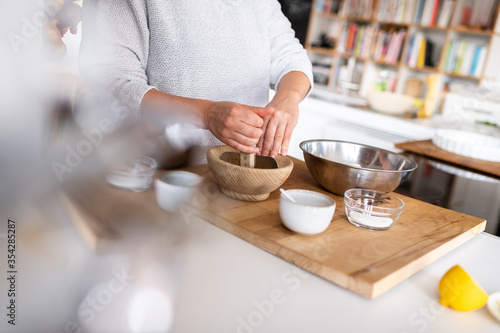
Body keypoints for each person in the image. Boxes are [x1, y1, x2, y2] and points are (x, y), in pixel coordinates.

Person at [79, 0, 313, 164]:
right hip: (154, 175)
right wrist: (207, 115)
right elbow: (111, 78)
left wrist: (288, 96)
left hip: (240, 180)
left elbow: (292, 58)